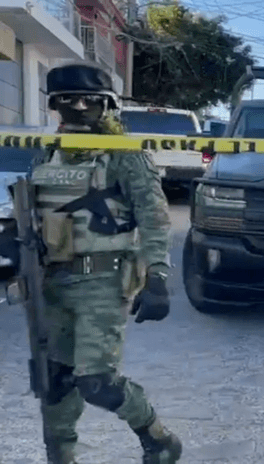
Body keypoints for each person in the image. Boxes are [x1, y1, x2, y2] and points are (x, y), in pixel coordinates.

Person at [29, 61, 182, 463]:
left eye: (89, 100)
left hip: (104, 280)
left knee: (97, 381)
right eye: (67, 100)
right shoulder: (50, 153)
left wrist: (158, 276)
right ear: (54, 105)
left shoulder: (123, 154)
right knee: (56, 381)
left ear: (106, 105)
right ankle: (61, 456)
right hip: (51, 280)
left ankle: (157, 437)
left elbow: (153, 216)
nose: (79, 108)